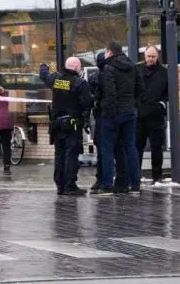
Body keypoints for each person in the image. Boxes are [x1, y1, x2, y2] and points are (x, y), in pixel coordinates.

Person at [96, 42, 143, 196]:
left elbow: (109, 93)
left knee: (107, 149)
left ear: (109, 52)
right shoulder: (132, 67)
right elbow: (140, 89)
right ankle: (135, 184)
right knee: (130, 147)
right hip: (129, 112)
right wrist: (132, 104)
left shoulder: (108, 68)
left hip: (113, 114)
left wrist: (107, 111)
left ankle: (107, 185)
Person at [40, 57, 92, 196]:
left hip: (57, 124)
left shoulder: (55, 79)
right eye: (80, 67)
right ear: (76, 67)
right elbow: (87, 103)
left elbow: (44, 76)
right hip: (72, 124)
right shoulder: (80, 83)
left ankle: (60, 185)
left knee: (59, 154)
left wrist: (44, 66)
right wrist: (86, 121)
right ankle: (70, 185)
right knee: (71, 154)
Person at [89, 51, 127, 194]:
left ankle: (104, 181)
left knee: (105, 152)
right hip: (113, 117)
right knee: (118, 150)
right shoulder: (117, 76)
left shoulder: (97, 77)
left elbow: (92, 98)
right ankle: (119, 181)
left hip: (104, 118)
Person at [136, 45, 168, 184]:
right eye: (148, 56)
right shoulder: (137, 70)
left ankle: (157, 176)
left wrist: (162, 103)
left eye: (153, 56)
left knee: (157, 147)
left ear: (157, 57)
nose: (150, 59)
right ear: (144, 56)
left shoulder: (164, 72)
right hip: (139, 115)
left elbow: (168, 92)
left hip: (156, 115)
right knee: (137, 146)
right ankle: (136, 174)